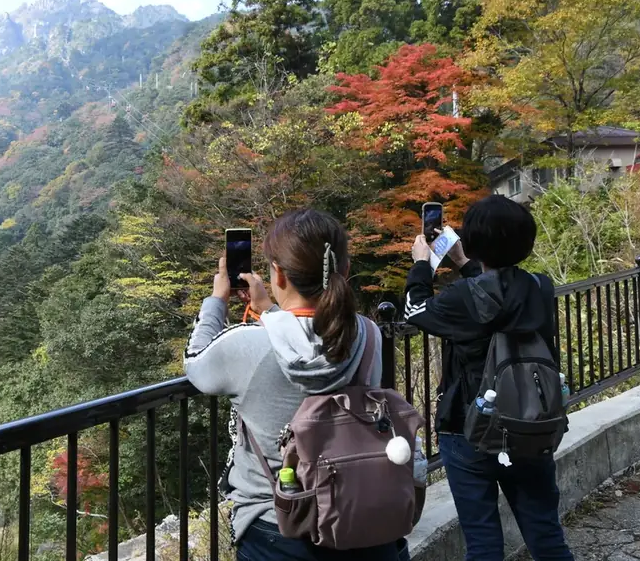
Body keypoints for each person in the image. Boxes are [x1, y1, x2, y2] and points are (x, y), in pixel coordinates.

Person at [184, 209, 401, 561]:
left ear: (279, 275)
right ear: (344, 271)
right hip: (360, 512)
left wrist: (217, 300)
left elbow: (195, 362)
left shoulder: (249, 345)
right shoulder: (367, 334)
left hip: (279, 524)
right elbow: (311, 333)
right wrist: (270, 310)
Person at [404, 195, 574, 561]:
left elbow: (416, 310)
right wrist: (466, 265)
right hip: (531, 421)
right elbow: (501, 301)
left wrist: (422, 265)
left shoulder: (462, 297)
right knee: (546, 534)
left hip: (469, 427)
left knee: (482, 543)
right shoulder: (540, 287)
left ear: (475, 243)